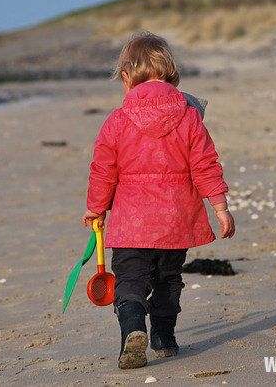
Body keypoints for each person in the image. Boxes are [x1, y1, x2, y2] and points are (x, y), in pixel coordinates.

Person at [82, 31, 235, 369]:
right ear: (171, 74)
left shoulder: (117, 121)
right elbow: (205, 164)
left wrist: (96, 208)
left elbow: (103, 171)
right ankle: (164, 337)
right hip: (175, 221)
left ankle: (133, 331)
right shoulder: (190, 115)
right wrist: (220, 207)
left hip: (130, 225)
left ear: (125, 78)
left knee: (130, 283)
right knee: (168, 280)